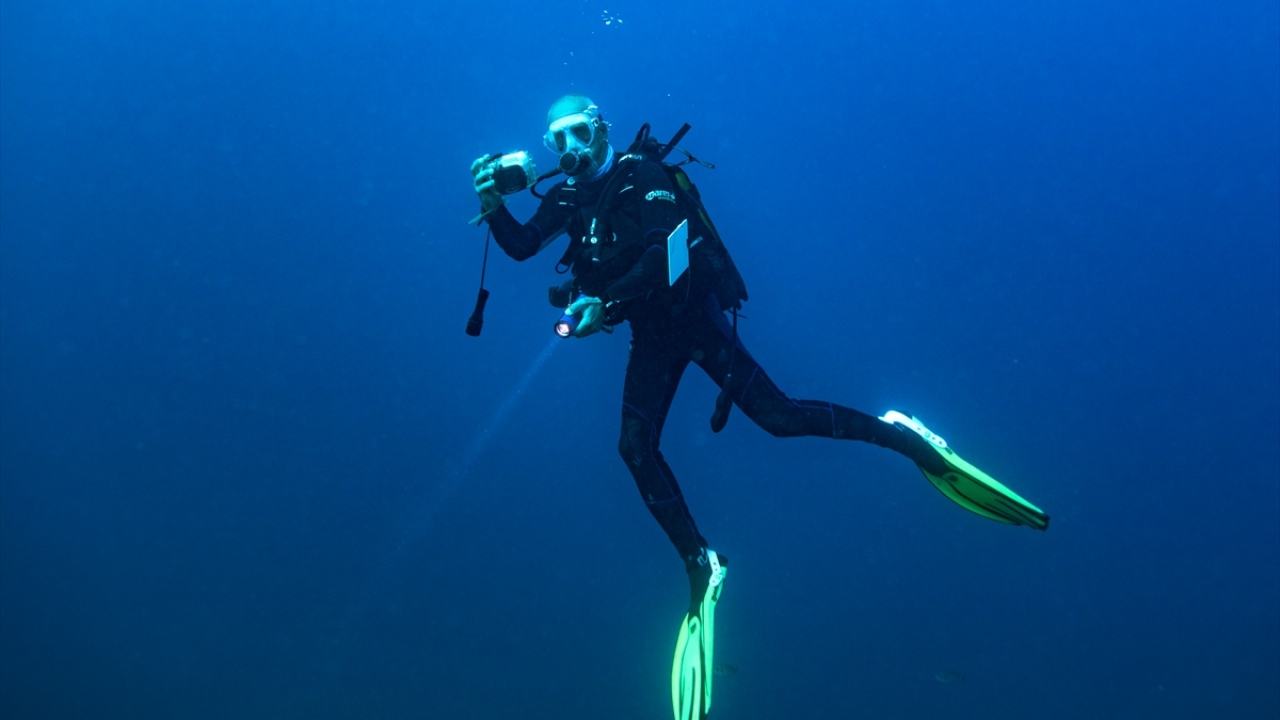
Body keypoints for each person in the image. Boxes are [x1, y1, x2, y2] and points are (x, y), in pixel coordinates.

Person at [470, 94, 1048, 720]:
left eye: (577, 133)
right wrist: (493, 204)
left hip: (693, 320)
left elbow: (667, 255)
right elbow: (525, 246)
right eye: (555, 142)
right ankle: (702, 565)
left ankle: (906, 437)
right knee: (634, 449)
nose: (567, 150)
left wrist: (604, 307)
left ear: (601, 128)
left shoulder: (645, 175)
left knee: (780, 418)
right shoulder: (567, 195)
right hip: (650, 336)